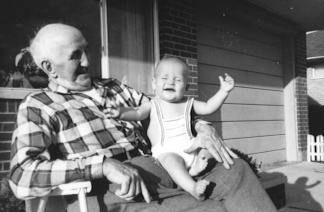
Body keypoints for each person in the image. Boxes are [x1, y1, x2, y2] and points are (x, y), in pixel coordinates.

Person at [9, 23, 277, 212]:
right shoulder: (39, 105)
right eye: (75, 56)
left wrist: (201, 125)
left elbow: (165, 108)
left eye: (86, 51)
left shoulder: (113, 88)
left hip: (168, 170)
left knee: (237, 170)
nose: (88, 62)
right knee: (209, 210)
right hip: (117, 194)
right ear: (49, 68)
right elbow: (21, 174)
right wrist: (103, 166)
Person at [105, 57, 234, 200]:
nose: (170, 82)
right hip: (167, 152)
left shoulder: (189, 103)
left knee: (208, 147)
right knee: (171, 161)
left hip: (192, 148)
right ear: (154, 84)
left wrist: (224, 91)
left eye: (178, 80)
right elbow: (136, 113)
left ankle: (197, 165)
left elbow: (209, 107)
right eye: (164, 78)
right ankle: (193, 187)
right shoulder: (152, 105)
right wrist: (121, 112)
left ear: (186, 87)